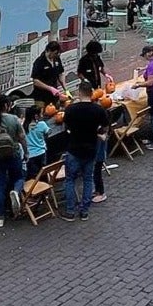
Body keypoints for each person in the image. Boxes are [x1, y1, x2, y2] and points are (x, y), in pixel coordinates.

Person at [59, 82, 109, 221]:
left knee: (70, 180)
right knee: (88, 179)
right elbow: (105, 125)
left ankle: (70, 211)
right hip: (91, 149)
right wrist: (100, 133)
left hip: (74, 149)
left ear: (79, 92)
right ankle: (84, 210)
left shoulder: (71, 109)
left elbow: (66, 125)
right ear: (91, 93)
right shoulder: (98, 110)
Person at [0, 94, 25, 228]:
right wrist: (27, 152)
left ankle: (0, 217)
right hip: (13, 154)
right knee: (19, 177)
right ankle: (16, 192)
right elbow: (22, 137)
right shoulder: (14, 119)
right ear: (6, 106)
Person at [29, 40, 67, 107]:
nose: (56, 55)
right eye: (55, 53)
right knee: (42, 114)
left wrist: (65, 88)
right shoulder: (39, 62)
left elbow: (60, 73)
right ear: (49, 51)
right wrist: (50, 88)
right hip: (41, 97)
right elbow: (36, 81)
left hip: (54, 95)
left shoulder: (57, 59)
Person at [22, 104, 55, 180]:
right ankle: (45, 189)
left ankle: (33, 190)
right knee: (43, 174)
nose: (42, 115)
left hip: (30, 155)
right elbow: (49, 132)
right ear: (36, 116)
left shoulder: (24, 126)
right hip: (41, 153)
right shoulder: (42, 124)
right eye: (41, 113)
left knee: (33, 176)